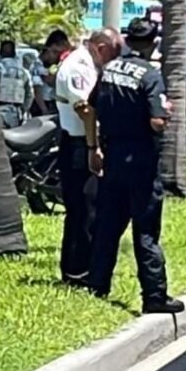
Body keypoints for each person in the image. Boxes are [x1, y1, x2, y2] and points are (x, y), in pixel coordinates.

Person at [87, 18, 185, 314]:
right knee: (145, 229)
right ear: (154, 42)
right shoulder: (151, 75)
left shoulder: (108, 70)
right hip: (141, 158)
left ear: (128, 40)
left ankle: (97, 285)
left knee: (108, 225)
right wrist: (164, 116)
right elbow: (157, 122)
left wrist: (95, 147)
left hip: (113, 154)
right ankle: (154, 296)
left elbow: (91, 106)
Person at [54, 28, 122, 286]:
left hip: (86, 142)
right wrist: (94, 148)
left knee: (91, 209)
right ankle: (76, 272)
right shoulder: (78, 66)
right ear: (102, 48)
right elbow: (86, 110)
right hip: (79, 144)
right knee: (83, 210)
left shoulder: (88, 63)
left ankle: (84, 267)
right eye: (112, 55)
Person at [0, 41, 33, 129]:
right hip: (17, 113)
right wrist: (24, 109)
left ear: (0, 53)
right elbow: (30, 94)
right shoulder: (23, 72)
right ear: (14, 54)